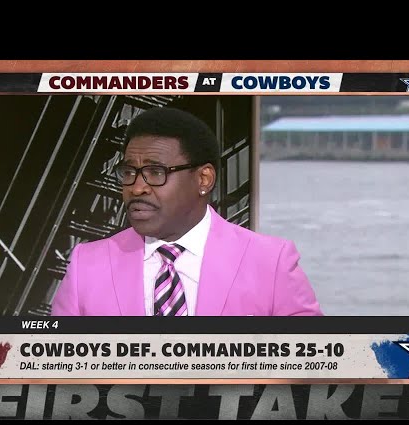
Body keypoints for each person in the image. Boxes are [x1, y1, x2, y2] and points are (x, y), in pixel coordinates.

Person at [52, 107, 322, 316]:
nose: (137, 188)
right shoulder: (86, 265)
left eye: (155, 172)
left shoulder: (271, 262)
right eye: (129, 172)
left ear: (204, 179)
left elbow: (310, 361)